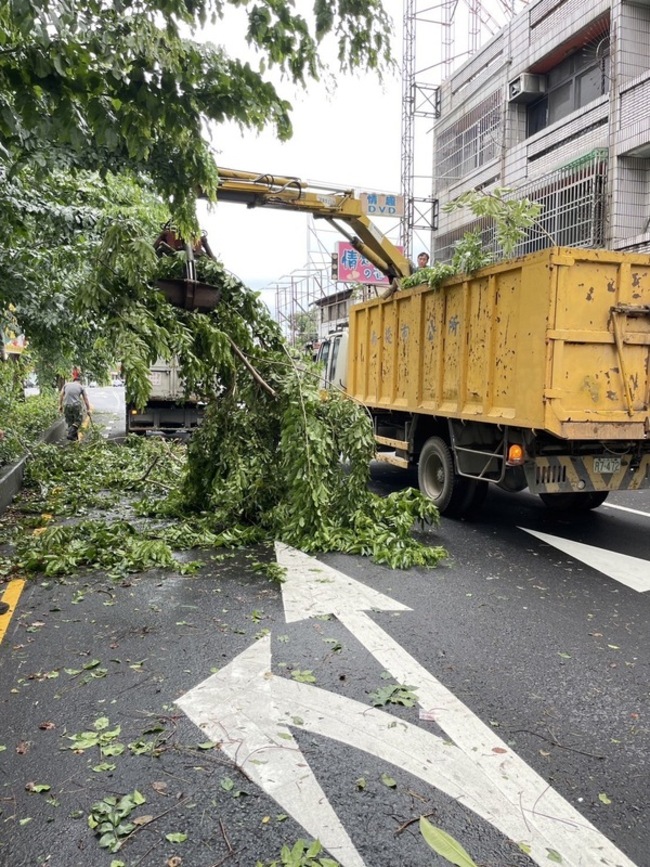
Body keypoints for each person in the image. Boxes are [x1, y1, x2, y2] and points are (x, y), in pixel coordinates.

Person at [59, 368, 91, 440]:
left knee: (70, 422)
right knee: (78, 421)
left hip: (66, 405)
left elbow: (61, 395)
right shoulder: (81, 386)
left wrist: (60, 405)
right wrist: (88, 409)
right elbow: (85, 399)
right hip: (76, 405)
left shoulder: (66, 385)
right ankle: (71, 434)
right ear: (79, 381)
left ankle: (74, 439)